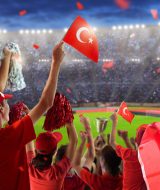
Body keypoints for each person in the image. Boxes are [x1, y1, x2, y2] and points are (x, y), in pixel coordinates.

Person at [0, 42, 64, 190]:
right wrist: (56, 63)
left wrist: (8, 56)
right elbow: (46, 103)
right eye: (6, 101)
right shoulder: (8, 137)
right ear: (2, 110)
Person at [73, 115, 122, 190]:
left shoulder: (97, 182)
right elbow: (91, 157)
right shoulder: (124, 179)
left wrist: (87, 128)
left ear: (103, 161)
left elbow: (77, 164)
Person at [26, 121, 77, 190]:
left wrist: (28, 120)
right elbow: (74, 142)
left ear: (36, 149)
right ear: (55, 151)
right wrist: (68, 121)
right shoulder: (58, 173)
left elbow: (74, 141)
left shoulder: (30, 167)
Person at [110, 112, 147, 190]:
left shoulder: (129, 154)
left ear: (136, 141)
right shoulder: (151, 159)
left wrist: (114, 121)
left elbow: (112, 142)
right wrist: (125, 139)